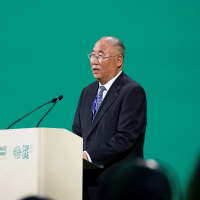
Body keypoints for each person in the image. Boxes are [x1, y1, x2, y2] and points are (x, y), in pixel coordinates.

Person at [72, 36, 147, 200]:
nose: (94, 61)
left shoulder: (132, 91)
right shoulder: (87, 91)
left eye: (100, 55)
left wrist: (89, 156)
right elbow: (78, 133)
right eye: (92, 55)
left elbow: (126, 137)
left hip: (117, 182)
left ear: (119, 60)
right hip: (85, 183)